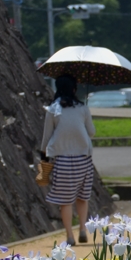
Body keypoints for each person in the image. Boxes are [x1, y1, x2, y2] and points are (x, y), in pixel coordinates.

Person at [40, 74, 95, 245]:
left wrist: (43, 154)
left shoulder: (52, 110)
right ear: (74, 89)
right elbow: (91, 132)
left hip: (62, 161)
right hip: (83, 160)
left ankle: (70, 236)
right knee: (82, 197)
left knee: (65, 201)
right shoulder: (83, 108)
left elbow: (46, 136)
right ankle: (83, 230)